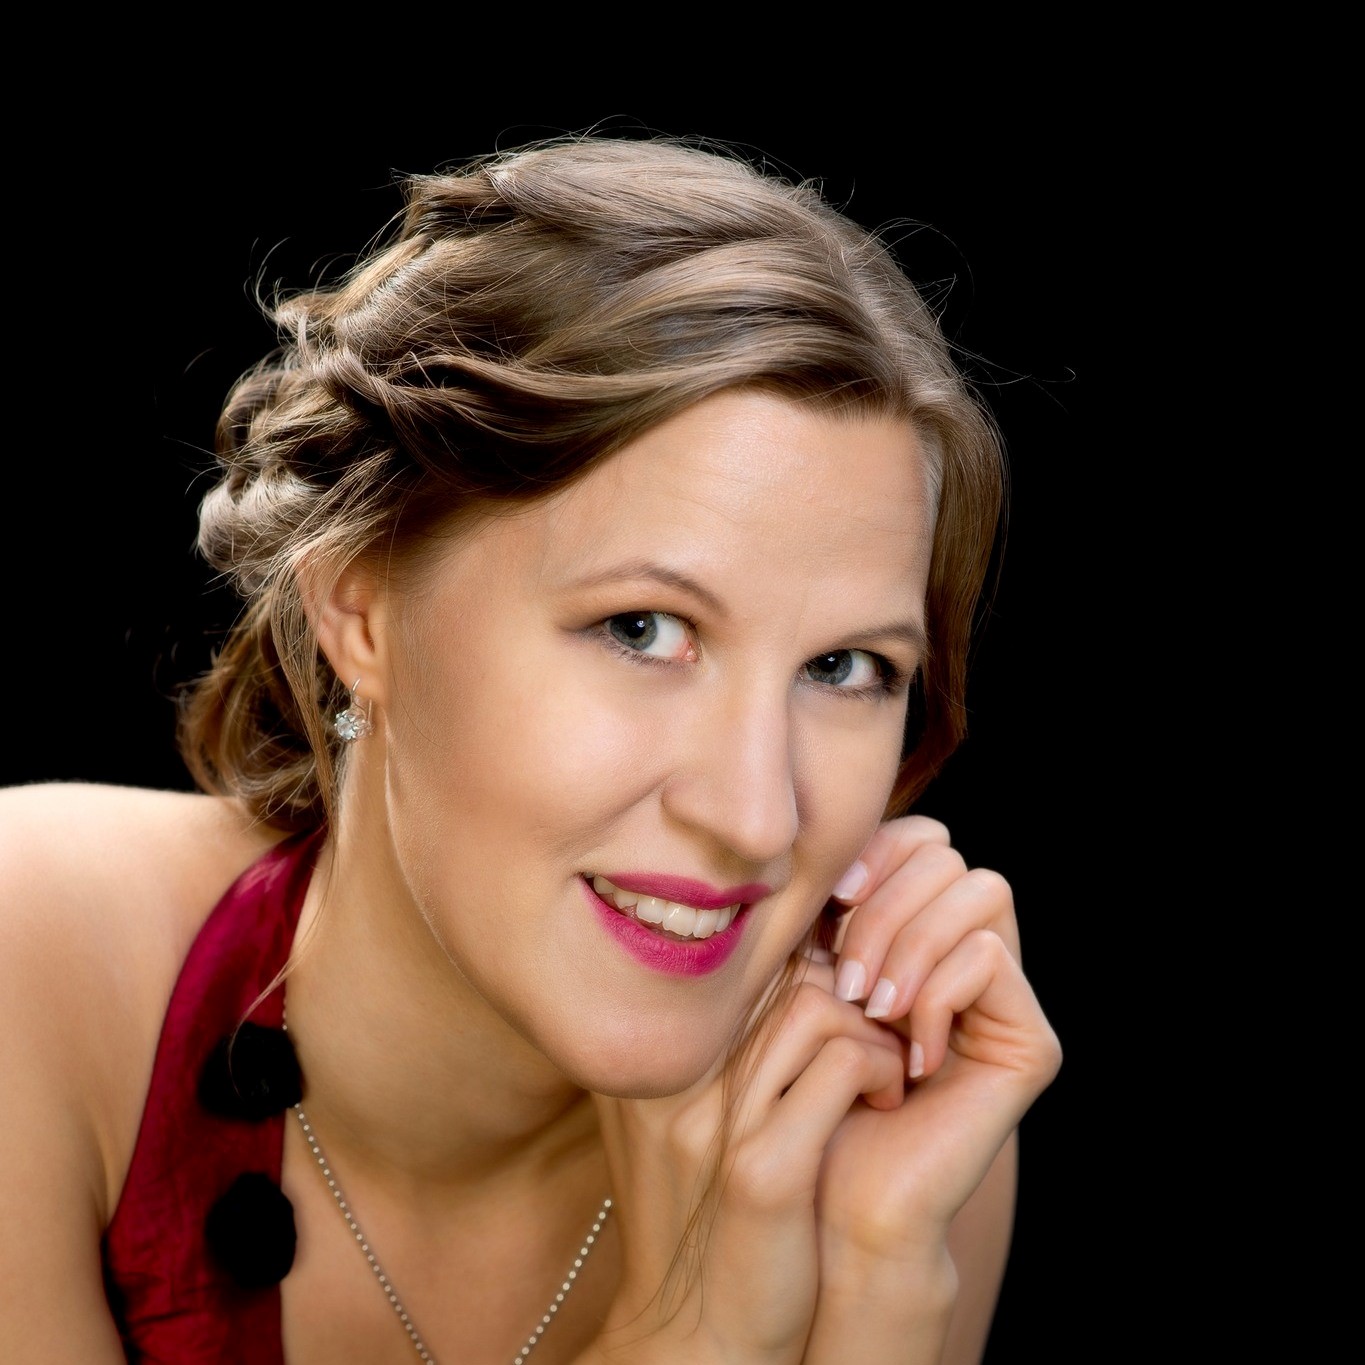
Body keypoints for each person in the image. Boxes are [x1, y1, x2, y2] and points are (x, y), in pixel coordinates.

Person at [0, 132, 1061, 1364]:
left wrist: (877, 1297)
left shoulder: (889, 1138)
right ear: (361, 609)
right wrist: (696, 1339)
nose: (757, 817)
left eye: (845, 669)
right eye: (642, 629)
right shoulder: (29, 962)